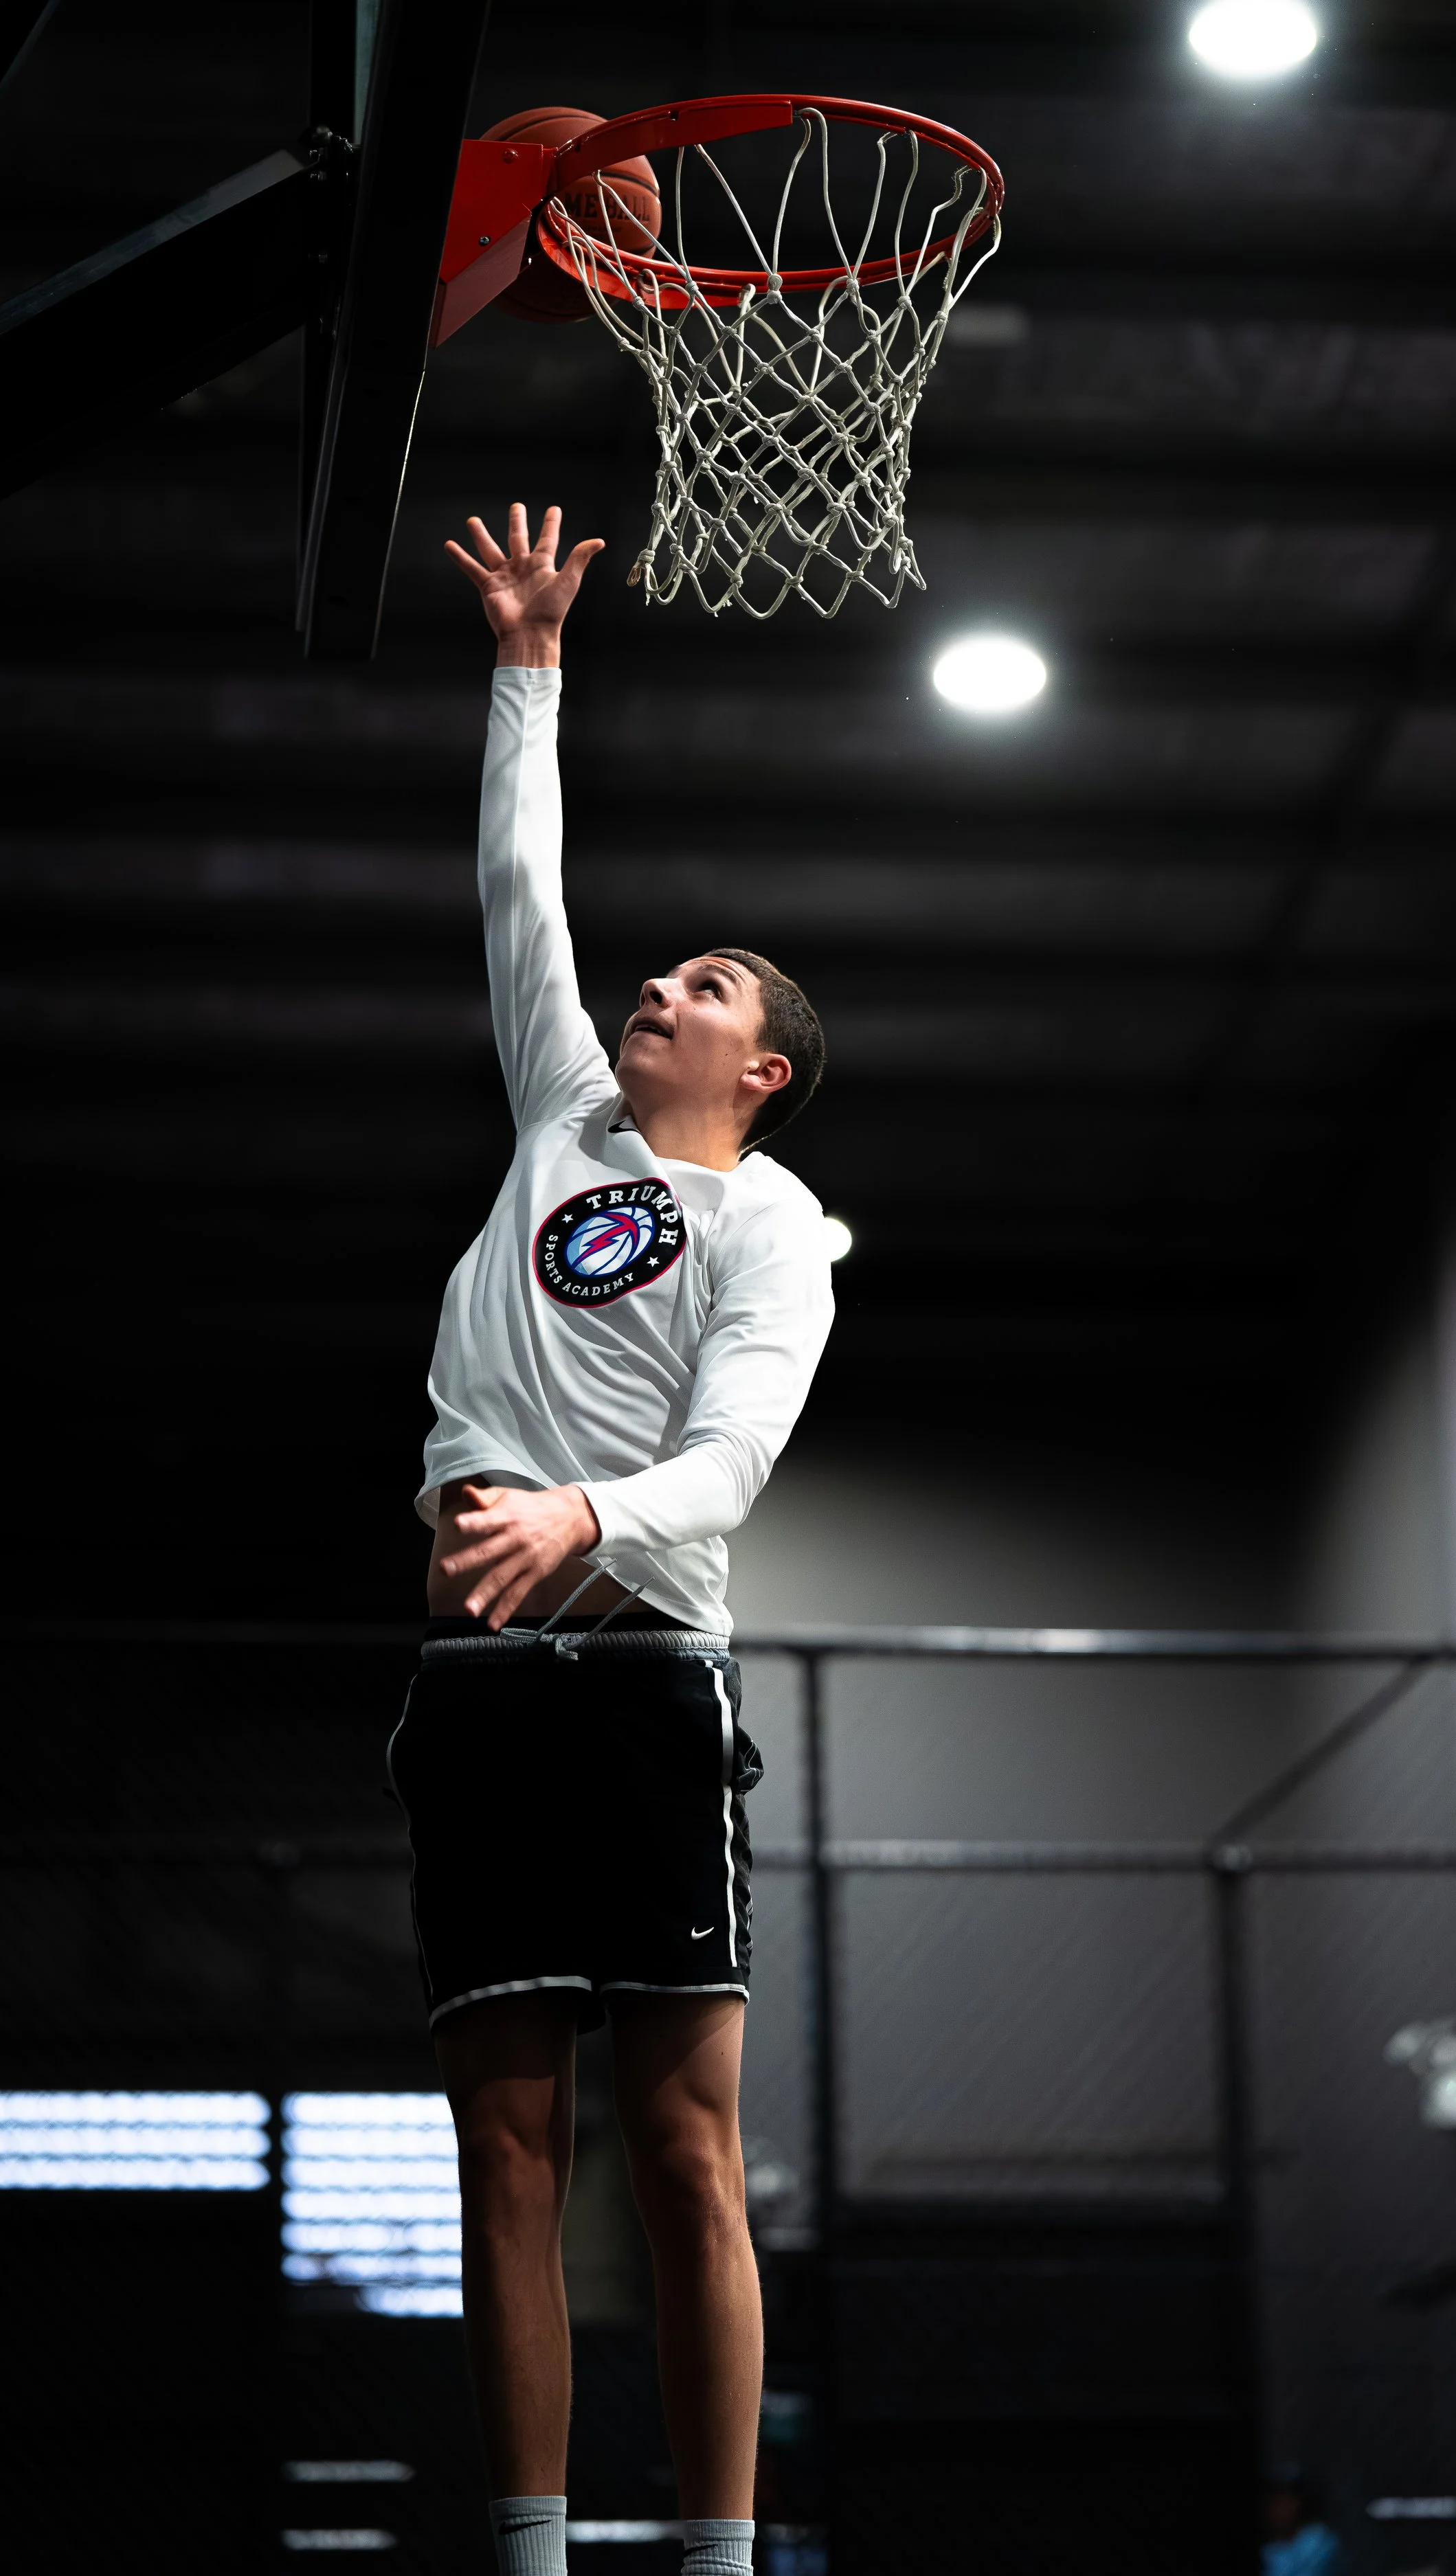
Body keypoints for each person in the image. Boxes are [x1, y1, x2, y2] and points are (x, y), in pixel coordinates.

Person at [385, 504, 836, 2576]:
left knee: (680, 2148)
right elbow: (516, 883)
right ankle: (533, 2554)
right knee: (505, 2150)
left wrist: (579, 1505)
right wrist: (530, 659)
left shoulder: (769, 1230)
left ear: (763, 1069)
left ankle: (721, 2556)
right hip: (481, 1690)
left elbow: (730, 1464)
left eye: (707, 982)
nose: (657, 980)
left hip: (651, 1681)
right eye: (663, 969)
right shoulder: (558, 1113)